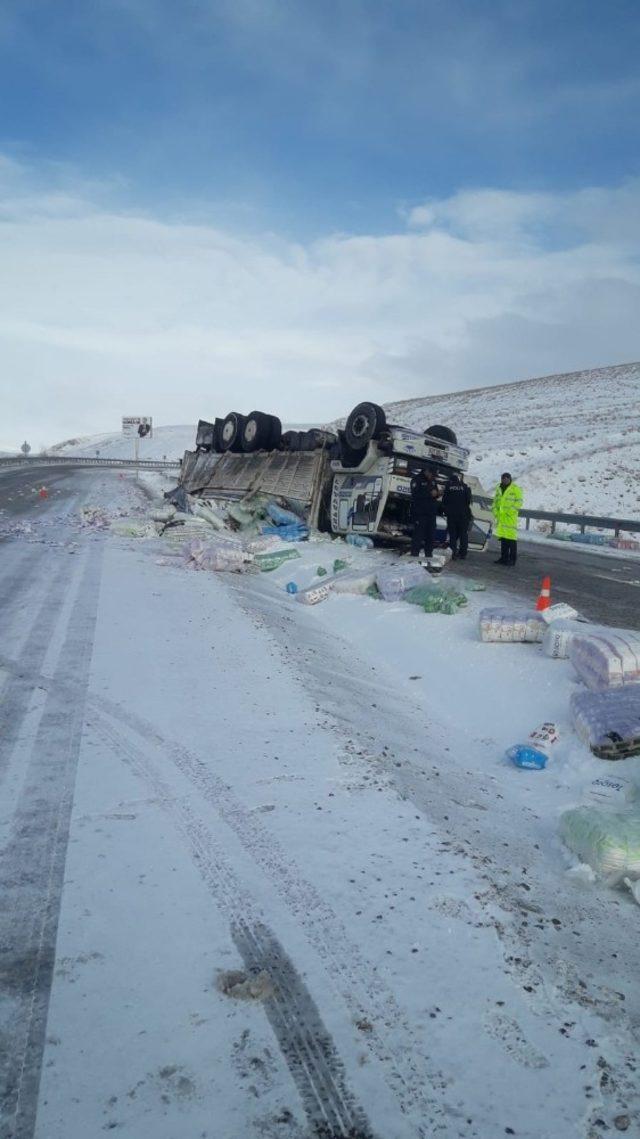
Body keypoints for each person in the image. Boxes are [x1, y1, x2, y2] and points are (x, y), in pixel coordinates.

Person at [492, 472, 523, 565]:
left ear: (510, 479)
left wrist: (509, 512)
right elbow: (495, 502)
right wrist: (495, 512)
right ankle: (504, 558)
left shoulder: (515, 489)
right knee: (503, 540)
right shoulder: (498, 488)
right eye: (503, 478)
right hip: (501, 518)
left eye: (507, 478)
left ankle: (512, 560)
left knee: (511, 540)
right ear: (501, 479)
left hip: (510, 519)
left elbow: (519, 502)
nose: (505, 480)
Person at [410, 467, 440, 558]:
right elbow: (415, 495)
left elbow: (434, 493)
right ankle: (414, 554)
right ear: (426, 471)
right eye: (431, 474)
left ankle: (429, 555)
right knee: (418, 535)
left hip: (431, 513)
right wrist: (429, 494)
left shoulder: (433, 481)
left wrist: (437, 494)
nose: (432, 476)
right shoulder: (416, 480)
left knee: (430, 536)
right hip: (420, 513)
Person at [442, 473, 472, 559]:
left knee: (453, 535)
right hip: (464, 515)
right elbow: (468, 500)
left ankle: (453, 553)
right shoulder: (465, 487)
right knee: (463, 534)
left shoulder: (449, 487)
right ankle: (463, 553)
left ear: (451, 480)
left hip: (452, 515)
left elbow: (445, 500)